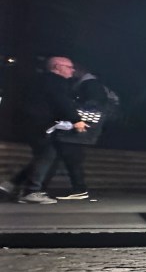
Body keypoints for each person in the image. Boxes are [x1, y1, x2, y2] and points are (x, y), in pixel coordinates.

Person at [0, 56, 88, 204]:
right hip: (39, 124)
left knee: (44, 156)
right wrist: (76, 120)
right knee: (47, 154)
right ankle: (31, 191)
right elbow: (61, 101)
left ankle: (12, 185)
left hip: (31, 123)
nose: (72, 70)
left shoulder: (41, 80)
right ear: (56, 67)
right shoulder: (55, 81)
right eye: (69, 67)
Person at [45, 64, 112, 200]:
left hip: (79, 127)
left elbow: (93, 105)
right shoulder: (90, 84)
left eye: (74, 68)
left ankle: (78, 188)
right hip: (80, 127)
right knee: (66, 157)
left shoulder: (89, 84)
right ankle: (78, 188)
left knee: (64, 156)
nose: (73, 70)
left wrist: (75, 114)